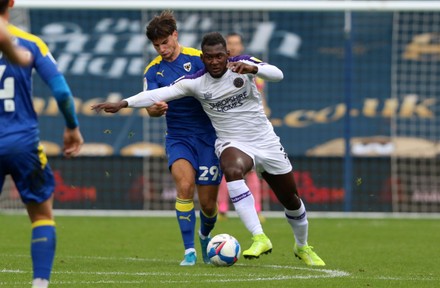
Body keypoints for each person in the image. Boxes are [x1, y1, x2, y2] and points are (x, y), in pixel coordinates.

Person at [92, 31, 325, 266]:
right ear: (203, 58)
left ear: (228, 55)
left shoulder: (244, 64)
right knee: (232, 170)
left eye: (219, 57)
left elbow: (278, 74)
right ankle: (259, 236)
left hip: (265, 141)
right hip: (232, 142)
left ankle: (302, 246)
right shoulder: (195, 82)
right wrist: (122, 104)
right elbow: (156, 94)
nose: (214, 62)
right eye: (210, 57)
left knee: (291, 201)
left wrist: (254, 69)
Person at [0, 0, 84, 287]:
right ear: (11, 3)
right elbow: (61, 92)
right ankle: (39, 284)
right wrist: (72, 127)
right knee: (41, 215)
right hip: (24, 144)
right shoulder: (31, 43)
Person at [143, 10, 220, 266]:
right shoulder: (153, 71)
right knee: (185, 188)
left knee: (208, 205)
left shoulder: (199, 59)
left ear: (175, 35)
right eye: (156, 45)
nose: (161, 49)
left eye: (165, 42)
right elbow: (150, 106)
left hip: (209, 137)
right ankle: (189, 251)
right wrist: (154, 110)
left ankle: (204, 235)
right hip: (179, 138)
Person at [217, 32, 269, 222]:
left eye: (236, 43)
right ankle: (222, 208)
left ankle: (256, 209)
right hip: (227, 125)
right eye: (229, 43)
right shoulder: (217, 68)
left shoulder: (250, 66)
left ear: (241, 46)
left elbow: (259, 93)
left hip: (249, 126)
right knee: (227, 168)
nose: (233, 47)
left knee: (252, 170)